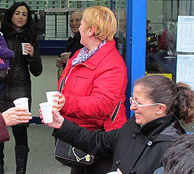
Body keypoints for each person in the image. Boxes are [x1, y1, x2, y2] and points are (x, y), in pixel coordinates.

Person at [42, 75, 194, 174]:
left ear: (160, 108)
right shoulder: (134, 125)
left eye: (138, 103)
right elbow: (98, 141)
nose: (132, 107)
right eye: (132, 100)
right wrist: (61, 124)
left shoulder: (173, 146)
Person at [56, 6, 128, 174]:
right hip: (81, 136)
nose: (78, 26)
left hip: (100, 141)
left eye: (81, 23)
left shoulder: (112, 64)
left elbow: (102, 105)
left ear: (90, 30)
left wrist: (65, 103)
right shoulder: (80, 54)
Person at [0, 2, 42, 174]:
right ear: (11, 15)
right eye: (17, 13)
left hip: (20, 89)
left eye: (24, 14)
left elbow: (37, 71)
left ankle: (20, 170)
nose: (20, 17)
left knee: (21, 131)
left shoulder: (30, 37)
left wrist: (32, 55)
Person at [56, 11, 84, 79]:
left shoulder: (87, 40)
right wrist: (61, 61)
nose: (74, 23)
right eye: (71, 21)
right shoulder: (71, 39)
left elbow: (89, 58)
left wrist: (71, 57)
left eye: (77, 20)